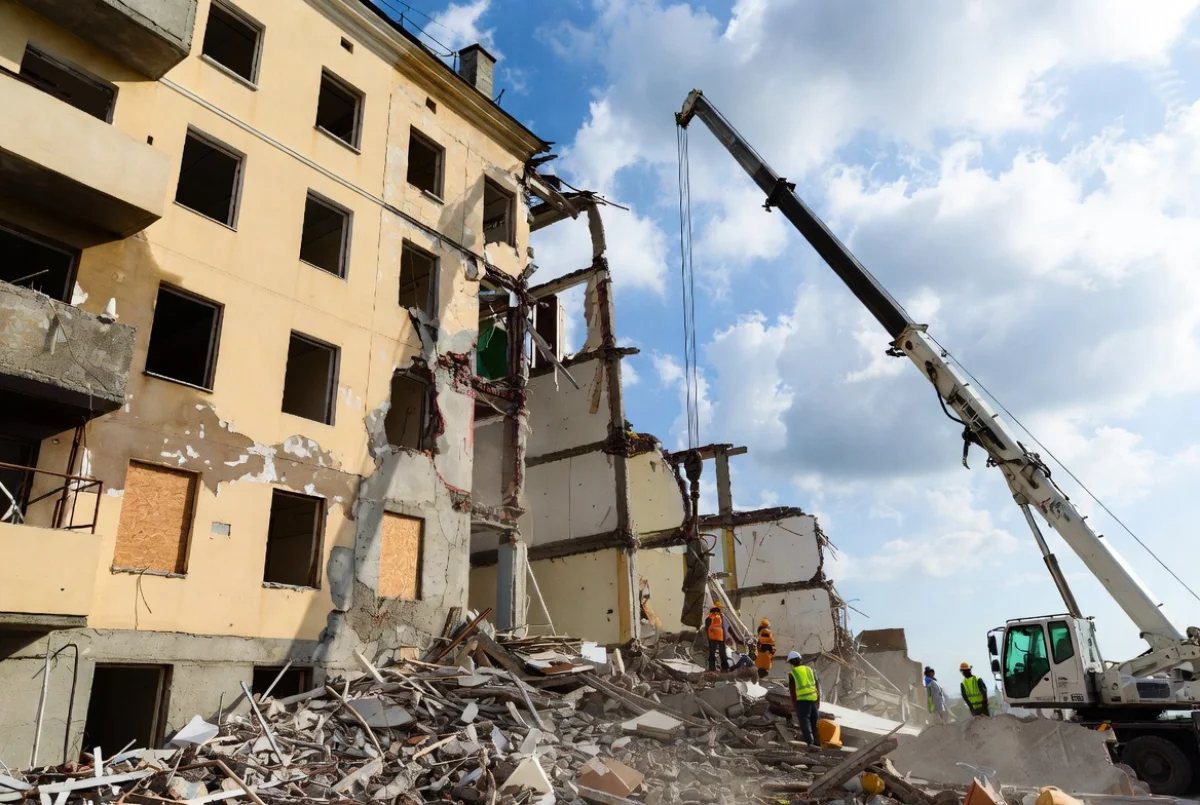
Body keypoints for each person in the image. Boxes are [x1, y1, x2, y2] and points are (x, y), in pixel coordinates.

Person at [787, 651, 821, 747]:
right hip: (813, 699)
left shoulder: (793, 673)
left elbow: (792, 691)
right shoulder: (810, 670)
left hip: (802, 701)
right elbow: (817, 686)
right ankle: (817, 743)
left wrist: (794, 705)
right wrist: (818, 701)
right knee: (814, 722)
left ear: (791, 662)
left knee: (805, 722)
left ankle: (810, 744)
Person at [704, 601, 729, 672]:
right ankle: (725, 668)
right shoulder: (720, 617)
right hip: (720, 637)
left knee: (712, 652)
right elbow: (723, 628)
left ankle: (711, 668)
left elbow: (707, 629)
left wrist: (709, 638)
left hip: (712, 637)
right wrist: (724, 638)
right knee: (722, 653)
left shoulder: (708, 618)